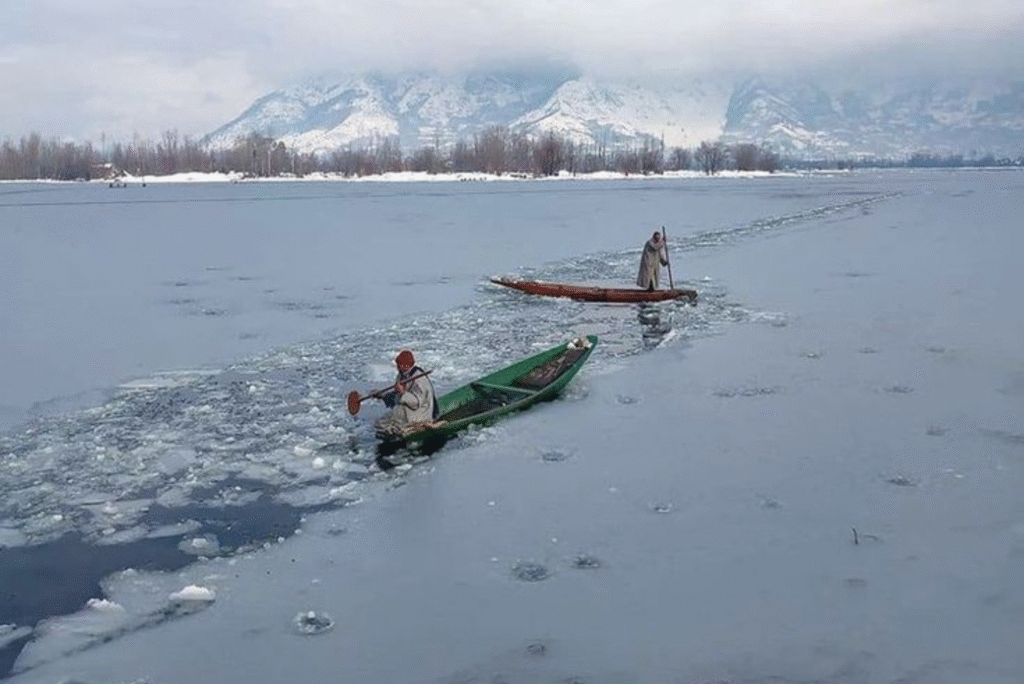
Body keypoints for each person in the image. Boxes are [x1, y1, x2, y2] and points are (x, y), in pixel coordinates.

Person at [374, 349, 438, 437]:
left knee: (386, 423)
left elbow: (416, 402)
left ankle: (405, 431)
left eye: (399, 365)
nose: (397, 367)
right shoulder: (401, 375)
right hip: (408, 409)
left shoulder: (419, 379)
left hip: (420, 412)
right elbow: (396, 395)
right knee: (381, 423)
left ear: (407, 365)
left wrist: (403, 393)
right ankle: (396, 432)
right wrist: (382, 396)